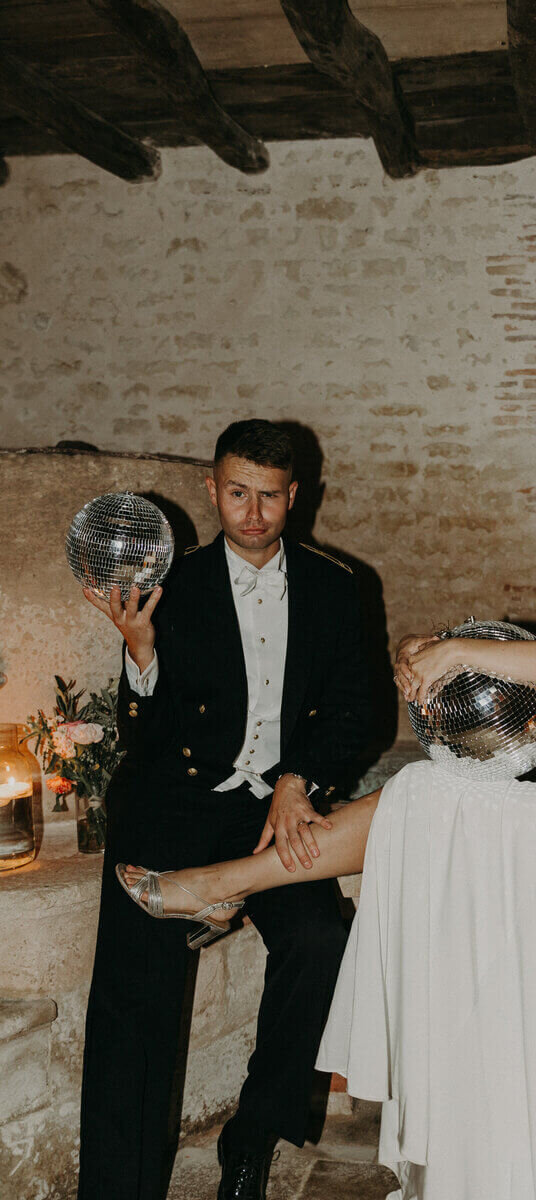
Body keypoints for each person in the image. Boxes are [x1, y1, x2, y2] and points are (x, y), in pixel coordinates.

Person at [118, 445, 536, 1200]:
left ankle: (224, 884)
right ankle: (226, 886)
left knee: (427, 794)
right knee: (427, 793)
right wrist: (433, 651)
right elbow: (534, 650)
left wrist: (458, 650)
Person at [78, 419, 372, 1200]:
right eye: (237, 493)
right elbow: (145, 734)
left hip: (275, 811)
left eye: (269, 496)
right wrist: (141, 655)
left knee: (318, 939)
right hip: (171, 803)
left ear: (294, 496)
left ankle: (253, 1133)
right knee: (134, 992)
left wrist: (298, 776)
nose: (252, 512)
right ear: (213, 489)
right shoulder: (170, 582)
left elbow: (362, 708)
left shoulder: (339, 588)